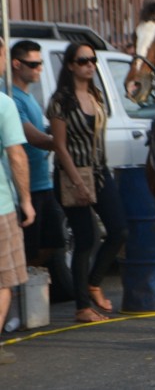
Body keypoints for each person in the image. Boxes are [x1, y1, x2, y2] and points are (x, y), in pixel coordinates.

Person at [47, 42, 127, 323]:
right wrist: (77, 181)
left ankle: (94, 282)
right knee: (85, 239)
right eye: (83, 60)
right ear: (70, 65)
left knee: (119, 230)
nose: (89, 64)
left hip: (100, 171)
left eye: (92, 59)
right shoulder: (60, 101)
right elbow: (59, 145)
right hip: (72, 175)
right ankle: (82, 307)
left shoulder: (96, 95)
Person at [9, 41, 73, 298]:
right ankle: (18, 297)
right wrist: (61, 143)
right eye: (34, 64)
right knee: (29, 247)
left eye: (40, 64)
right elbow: (32, 137)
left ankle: (28, 291)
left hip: (42, 182)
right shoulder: (11, 97)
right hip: (27, 186)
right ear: (16, 64)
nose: (39, 69)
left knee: (52, 243)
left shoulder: (29, 97)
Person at [0, 38, 33, 364]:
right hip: (0, 208)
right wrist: (26, 199)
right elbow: (17, 156)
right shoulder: (4, 104)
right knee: (2, 281)